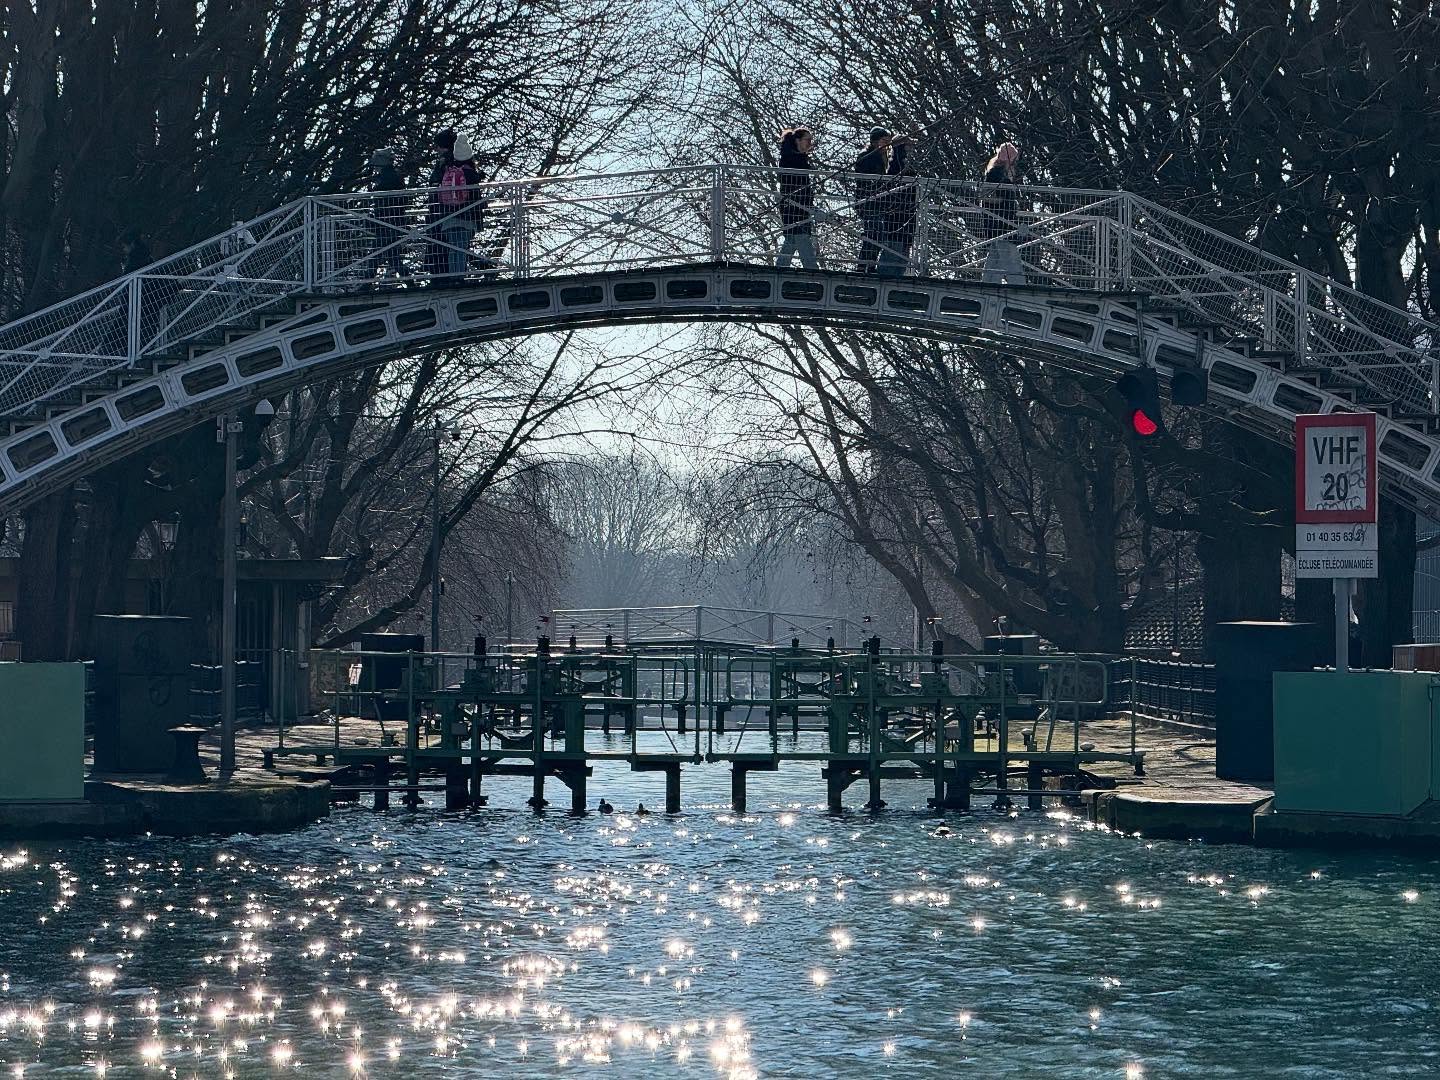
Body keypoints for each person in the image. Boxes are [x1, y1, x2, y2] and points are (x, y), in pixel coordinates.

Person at [427, 129, 483, 283]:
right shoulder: (467, 168)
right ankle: (480, 266)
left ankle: (453, 277)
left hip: (447, 212)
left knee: (453, 247)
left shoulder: (446, 165)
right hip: (465, 213)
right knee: (459, 247)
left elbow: (435, 185)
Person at [981, 141, 1025, 284]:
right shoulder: (997, 174)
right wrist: (1008, 201)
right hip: (1002, 222)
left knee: (995, 256)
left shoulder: (994, 171)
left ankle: (988, 284)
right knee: (1010, 257)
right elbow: (989, 197)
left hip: (997, 222)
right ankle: (1019, 288)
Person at [776, 127, 818, 270]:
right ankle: (813, 271)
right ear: (797, 141)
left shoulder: (794, 157)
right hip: (794, 206)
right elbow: (789, 182)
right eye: (808, 140)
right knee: (801, 237)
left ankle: (780, 270)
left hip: (798, 206)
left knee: (792, 239)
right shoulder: (791, 159)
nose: (810, 143)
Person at [877, 137, 918, 278]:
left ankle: (896, 283)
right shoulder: (896, 167)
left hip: (908, 218)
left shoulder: (906, 167)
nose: (912, 150)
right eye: (909, 146)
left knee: (903, 257)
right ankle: (883, 282)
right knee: (893, 253)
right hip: (897, 219)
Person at [853, 127, 892, 272]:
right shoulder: (867, 155)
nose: (887, 145)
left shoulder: (880, 156)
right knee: (874, 233)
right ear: (876, 141)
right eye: (884, 141)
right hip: (868, 201)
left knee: (876, 233)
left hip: (876, 201)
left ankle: (868, 264)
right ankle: (864, 265)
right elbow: (864, 178)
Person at [368, 149, 409, 282]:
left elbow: (388, 199)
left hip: (387, 221)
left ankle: (367, 281)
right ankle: (408, 280)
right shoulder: (393, 176)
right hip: (390, 221)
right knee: (392, 255)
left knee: (377, 254)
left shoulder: (388, 177)